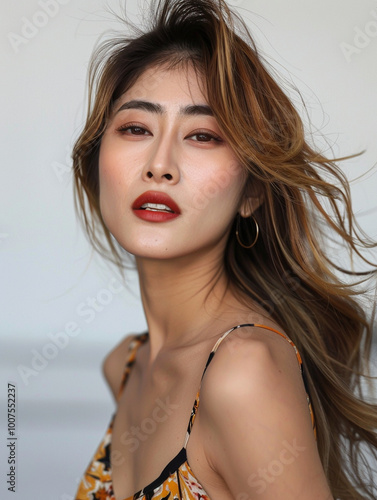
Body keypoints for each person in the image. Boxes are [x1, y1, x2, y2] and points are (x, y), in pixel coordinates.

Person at [72, 0, 377, 498]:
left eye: (203, 135)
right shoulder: (127, 364)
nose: (160, 164)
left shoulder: (242, 370)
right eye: (135, 128)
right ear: (95, 161)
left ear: (251, 193)